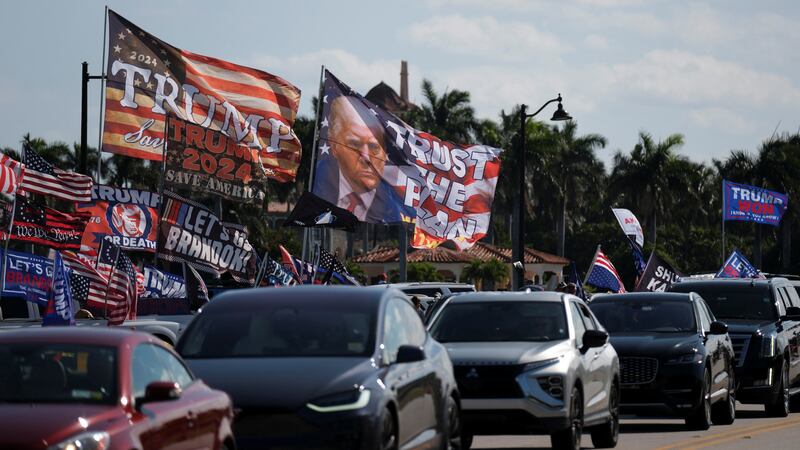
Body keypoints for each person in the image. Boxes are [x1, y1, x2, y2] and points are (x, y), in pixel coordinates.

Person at [313, 95, 413, 223]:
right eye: (354, 144)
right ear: (334, 146)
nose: (366, 158)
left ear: (385, 153)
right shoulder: (322, 183)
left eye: (374, 147)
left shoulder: (394, 208)